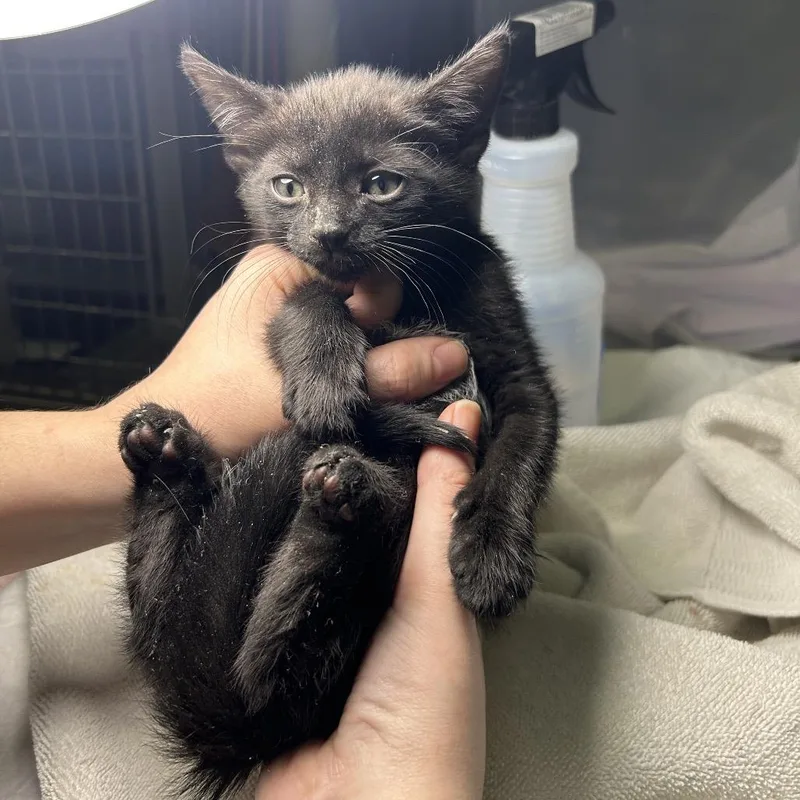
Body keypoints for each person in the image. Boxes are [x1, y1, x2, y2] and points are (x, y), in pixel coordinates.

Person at [0, 244, 487, 799]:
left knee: (194, 648)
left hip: (227, 674)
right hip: (264, 669)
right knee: (358, 506)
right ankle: (303, 515)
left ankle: (181, 485)